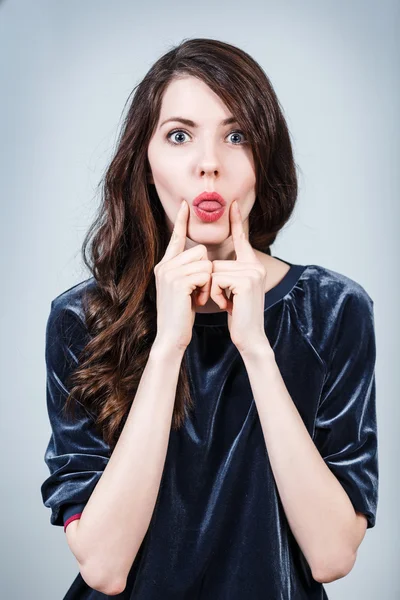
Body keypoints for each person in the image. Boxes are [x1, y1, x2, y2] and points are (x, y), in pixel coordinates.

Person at [40, 38, 378, 599]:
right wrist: (169, 343)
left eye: (236, 135)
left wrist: (255, 348)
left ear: (263, 157)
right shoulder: (83, 319)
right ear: (145, 163)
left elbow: (333, 554)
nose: (209, 164)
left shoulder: (333, 310)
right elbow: (103, 567)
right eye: (179, 136)